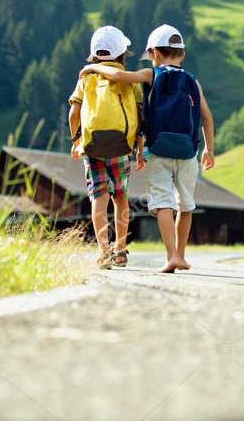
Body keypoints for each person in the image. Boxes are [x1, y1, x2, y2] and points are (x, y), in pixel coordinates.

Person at [80, 24, 214, 273]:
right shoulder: (193, 82)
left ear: (153, 53)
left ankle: (171, 256)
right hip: (188, 153)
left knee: (163, 204)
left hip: (159, 152)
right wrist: (209, 150)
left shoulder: (152, 75)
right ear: (182, 53)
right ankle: (182, 256)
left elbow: (119, 76)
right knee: (186, 205)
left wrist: (92, 67)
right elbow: (207, 117)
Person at [68, 26, 144, 270]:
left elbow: (74, 112)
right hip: (122, 147)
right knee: (120, 198)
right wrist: (139, 146)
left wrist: (76, 140)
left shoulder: (86, 78)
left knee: (98, 197)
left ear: (93, 54)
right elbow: (141, 117)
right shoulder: (131, 81)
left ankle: (103, 251)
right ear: (123, 53)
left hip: (92, 147)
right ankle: (120, 250)